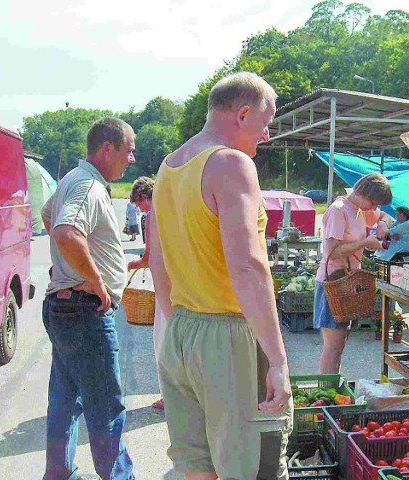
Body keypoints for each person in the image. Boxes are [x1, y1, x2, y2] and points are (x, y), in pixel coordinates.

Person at [149, 72, 292, 480]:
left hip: (181, 331)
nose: (266, 135)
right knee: (254, 468)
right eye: (265, 123)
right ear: (242, 114)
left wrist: (175, 320)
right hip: (229, 335)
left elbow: (157, 257)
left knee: (197, 466)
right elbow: (248, 265)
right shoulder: (230, 163)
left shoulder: (169, 166)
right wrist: (278, 361)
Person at [40, 117, 136, 480]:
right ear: (106, 148)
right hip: (84, 311)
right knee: (106, 406)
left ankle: (59, 473)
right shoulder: (88, 187)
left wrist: (71, 265)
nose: (132, 158)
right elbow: (65, 231)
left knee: (65, 399)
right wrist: (95, 279)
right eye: (128, 150)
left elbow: (47, 215)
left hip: (67, 308)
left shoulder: (73, 181)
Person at [314, 173, 394, 374]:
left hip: (347, 284)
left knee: (339, 346)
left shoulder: (359, 209)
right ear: (364, 193)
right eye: (373, 202)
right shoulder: (338, 211)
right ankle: (326, 392)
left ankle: (332, 387)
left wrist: (381, 224)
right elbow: (332, 252)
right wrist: (366, 242)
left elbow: (386, 217)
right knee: (332, 348)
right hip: (333, 283)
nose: (374, 208)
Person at [126, 176, 166, 410]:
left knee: (161, 343)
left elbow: (149, 257)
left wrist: (133, 265)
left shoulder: (151, 216)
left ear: (144, 197)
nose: (138, 207)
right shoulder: (174, 208)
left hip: (164, 285)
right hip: (182, 282)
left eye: (138, 202)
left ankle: (169, 397)